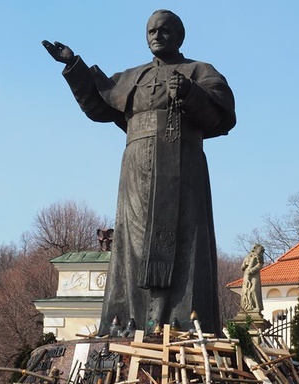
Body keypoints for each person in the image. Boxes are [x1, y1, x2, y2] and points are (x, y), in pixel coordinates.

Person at [43, 10, 236, 335]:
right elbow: (99, 107)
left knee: (184, 241)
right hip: (137, 171)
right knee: (134, 245)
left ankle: (183, 321)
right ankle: (127, 321)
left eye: (164, 30)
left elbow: (219, 117)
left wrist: (190, 93)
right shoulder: (131, 76)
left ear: (179, 36)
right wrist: (73, 66)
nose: (157, 35)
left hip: (183, 167)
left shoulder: (199, 70)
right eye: (151, 31)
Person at [240, 244, 264, 313]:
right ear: (255, 249)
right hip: (246, 276)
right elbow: (242, 268)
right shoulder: (248, 257)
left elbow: (260, 265)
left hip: (254, 275)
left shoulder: (260, 257)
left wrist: (251, 270)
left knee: (254, 290)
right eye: (260, 250)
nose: (261, 252)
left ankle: (257, 306)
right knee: (246, 291)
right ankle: (247, 306)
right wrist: (245, 264)